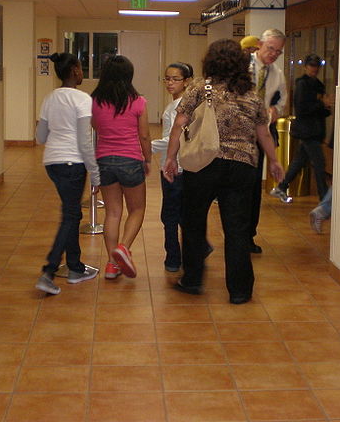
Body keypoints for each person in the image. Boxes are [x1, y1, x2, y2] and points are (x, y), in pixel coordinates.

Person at [163, 39, 284, 304]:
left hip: (204, 163)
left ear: (211, 62)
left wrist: (170, 158)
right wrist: (274, 161)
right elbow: (262, 132)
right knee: (237, 228)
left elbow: (178, 124)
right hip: (242, 167)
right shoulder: (251, 94)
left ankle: (193, 279)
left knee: (193, 221)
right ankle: (240, 291)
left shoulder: (199, 88)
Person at [34, 53, 101, 295]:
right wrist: (95, 173)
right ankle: (49, 271)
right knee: (71, 215)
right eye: (81, 68)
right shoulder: (82, 99)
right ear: (74, 70)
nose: (82, 72)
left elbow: (40, 137)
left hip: (52, 163)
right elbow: (85, 141)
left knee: (71, 212)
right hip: (74, 163)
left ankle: (75, 267)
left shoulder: (50, 98)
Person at [91, 55, 151, 279]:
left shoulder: (95, 100)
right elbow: (144, 135)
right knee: (137, 209)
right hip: (130, 160)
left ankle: (111, 265)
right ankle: (123, 248)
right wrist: (147, 159)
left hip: (104, 161)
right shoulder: (138, 101)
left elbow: (96, 127)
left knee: (113, 212)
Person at [270, 54, 330, 204]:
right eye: (311, 66)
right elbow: (301, 108)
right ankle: (324, 198)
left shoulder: (319, 85)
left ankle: (281, 187)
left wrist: (325, 106)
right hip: (307, 130)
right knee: (319, 163)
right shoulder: (302, 84)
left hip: (315, 130)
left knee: (299, 161)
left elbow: (323, 110)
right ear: (306, 67)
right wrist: (321, 104)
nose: (313, 69)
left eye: (316, 66)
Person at [247, 28, 287, 253]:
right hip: (235, 136)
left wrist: (272, 112)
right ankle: (236, 234)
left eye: (278, 52)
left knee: (254, 187)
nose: (273, 54)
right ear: (260, 44)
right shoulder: (243, 66)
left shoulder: (277, 74)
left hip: (260, 137)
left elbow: (281, 102)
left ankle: (249, 235)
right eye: (270, 48)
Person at [151, 62, 193, 272]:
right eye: (167, 78)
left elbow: (172, 139)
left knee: (169, 214)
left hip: (174, 167)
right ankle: (197, 249)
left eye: (175, 79)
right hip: (183, 166)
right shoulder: (178, 104)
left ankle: (173, 257)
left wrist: (146, 147)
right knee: (183, 212)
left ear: (186, 82)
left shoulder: (180, 106)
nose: (169, 83)